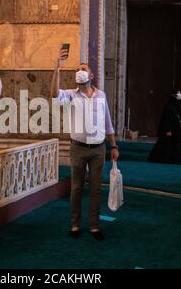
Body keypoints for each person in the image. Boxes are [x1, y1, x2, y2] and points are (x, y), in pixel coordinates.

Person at [51, 48, 119, 241]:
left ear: (91, 75)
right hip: (78, 148)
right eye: (77, 69)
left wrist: (113, 146)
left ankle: (94, 226)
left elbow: (107, 122)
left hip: (98, 149)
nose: (79, 71)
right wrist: (57, 68)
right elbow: (54, 94)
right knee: (76, 188)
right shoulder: (71, 95)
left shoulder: (101, 95)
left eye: (83, 69)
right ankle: (74, 224)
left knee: (96, 188)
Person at [148, 90, 181, 164]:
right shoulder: (168, 105)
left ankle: (175, 159)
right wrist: (168, 130)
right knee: (165, 144)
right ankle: (163, 158)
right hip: (170, 130)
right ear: (173, 96)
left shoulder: (177, 104)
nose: (180, 95)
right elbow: (166, 118)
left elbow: (177, 115)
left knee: (176, 145)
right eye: (178, 94)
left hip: (176, 130)